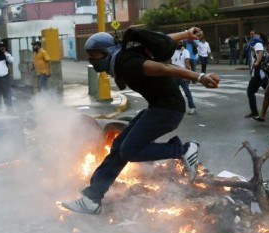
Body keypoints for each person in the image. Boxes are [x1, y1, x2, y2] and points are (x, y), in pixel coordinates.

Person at [61, 27, 220, 214]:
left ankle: (184, 150)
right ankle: (92, 199)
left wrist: (199, 77)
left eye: (94, 55)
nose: (92, 60)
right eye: (89, 55)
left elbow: (165, 68)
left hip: (168, 110)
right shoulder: (125, 53)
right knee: (118, 148)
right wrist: (186, 34)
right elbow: (159, 39)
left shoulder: (127, 64)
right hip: (157, 107)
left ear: (106, 52)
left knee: (129, 150)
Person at [244, 32, 269, 118]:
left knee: (250, 92)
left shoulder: (257, 43)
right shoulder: (259, 43)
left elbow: (260, 53)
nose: (254, 36)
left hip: (258, 72)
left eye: (255, 34)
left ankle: (254, 112)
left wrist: (257, 62)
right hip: (262, 72)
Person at [171, 41, 197, 115]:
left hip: (183, 75)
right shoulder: (172, 51)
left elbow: (187, 64)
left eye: (181, 42)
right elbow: (169, 62)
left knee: (187, 92)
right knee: (174, 93)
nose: (180, 44)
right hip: (174, 74)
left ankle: (192, 107)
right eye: (178, 42)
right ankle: (175, 108)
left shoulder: (186, 52)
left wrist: (188, 75)